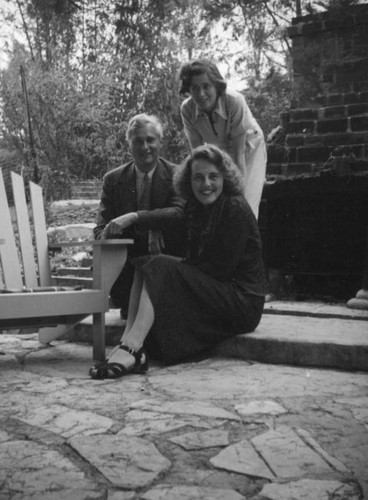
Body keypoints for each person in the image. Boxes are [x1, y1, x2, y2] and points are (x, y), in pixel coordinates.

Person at [90, 144, 267, 379]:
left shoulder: (234, 206)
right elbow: (174, 216)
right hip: (219, 292)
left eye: (213, 176)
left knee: (161, 267)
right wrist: (149, 226)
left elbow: (219, 270)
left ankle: (132, 348)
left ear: (225, 177)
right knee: (146, 264)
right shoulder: (199, 206)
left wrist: (173, 272)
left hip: (242, 303)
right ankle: (128, 343)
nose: (206, 184)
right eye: (198, 178)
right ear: (188, 181)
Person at [94, 113, 185, 317]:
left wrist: (145, 220)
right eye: (138, 141)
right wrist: (113, 234)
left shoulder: (176, 174)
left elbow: (179, 212)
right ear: (129, 145)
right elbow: (100, 229)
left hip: (164, 261)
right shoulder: (113, 180)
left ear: (160, 142)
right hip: (128, 268)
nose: (145, 147)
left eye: (150, 140)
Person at [179, 58, 267, 219]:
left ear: (216, 85)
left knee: (245, 203)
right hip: (219, 151)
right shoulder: (187, 109)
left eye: (206, 86)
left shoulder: (234, 101)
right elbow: (197, 153)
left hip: (248, 147)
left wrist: (240, 196)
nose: (201, 94)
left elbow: (239, 154)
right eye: (194, 88)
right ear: (188, 89)